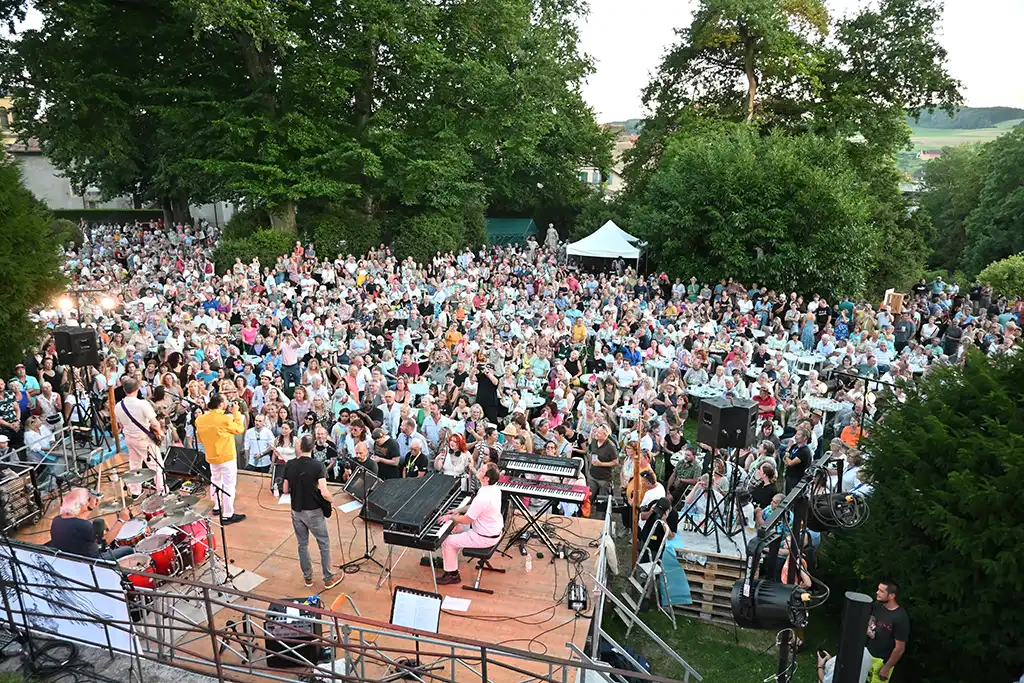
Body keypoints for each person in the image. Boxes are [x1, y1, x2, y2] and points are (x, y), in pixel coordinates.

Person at [282, 434, 342, 589]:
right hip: (314, 512)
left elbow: (285, 489)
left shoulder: (290, 464)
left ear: (300, 447)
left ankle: (307, 578)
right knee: (324, 543)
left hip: (296, 510)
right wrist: (331, 500)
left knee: (302, 544)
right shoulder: (318, 465)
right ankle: (328, 578)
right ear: (314, 447)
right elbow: (324, 491)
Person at [435, 462, 505, 585]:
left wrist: (451, 517)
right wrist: (458, 510)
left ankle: (452, 575)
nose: (479, 470)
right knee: (457, 528)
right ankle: (449, 560)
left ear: (486, 478)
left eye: (482, 470)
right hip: (493, 531)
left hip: (483, 537)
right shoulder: (495, 489)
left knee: (447, 541)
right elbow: (475, 507)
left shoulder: (482, 497)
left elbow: (468, 519)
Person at [195, 393, 247, 524]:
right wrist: (236, 413)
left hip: (212, 456)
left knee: (215, 480)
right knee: (229, 484)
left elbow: (200, 438)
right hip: (227, 456)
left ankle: (216, 507)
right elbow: (240, 428)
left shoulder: (200, 419)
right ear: (222, 404)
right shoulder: (225, 419)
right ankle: (228, 515)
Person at [114, 376, 166, 497]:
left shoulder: (118, 406)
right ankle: (161, 491)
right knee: (157, 466)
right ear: (137, 389)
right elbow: (154, 423)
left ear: (124, 389)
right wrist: (160, 433)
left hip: (129, 438)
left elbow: (120, 424)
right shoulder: (142, 404)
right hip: (144, 439)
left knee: (134, 464)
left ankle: (135, 491)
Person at [49, 488, 133, 561]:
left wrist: (91, 506)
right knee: (128, 550)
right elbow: (104, 542)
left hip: (72, 560)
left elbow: (80, 516)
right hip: (93, 561)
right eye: (88, 499)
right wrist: (121, 520)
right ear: (83, 504)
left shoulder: (57, 520)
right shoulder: (83, 525)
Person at [867, 580, 909, 682]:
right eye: (878, 589)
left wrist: (887, 667)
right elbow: (871, 621)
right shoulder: (878, 605)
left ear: (891, 596)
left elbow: (900, 648)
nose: (877, 592)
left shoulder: (900, 618)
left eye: (881, 591)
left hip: (882, 661)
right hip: (868, 653)